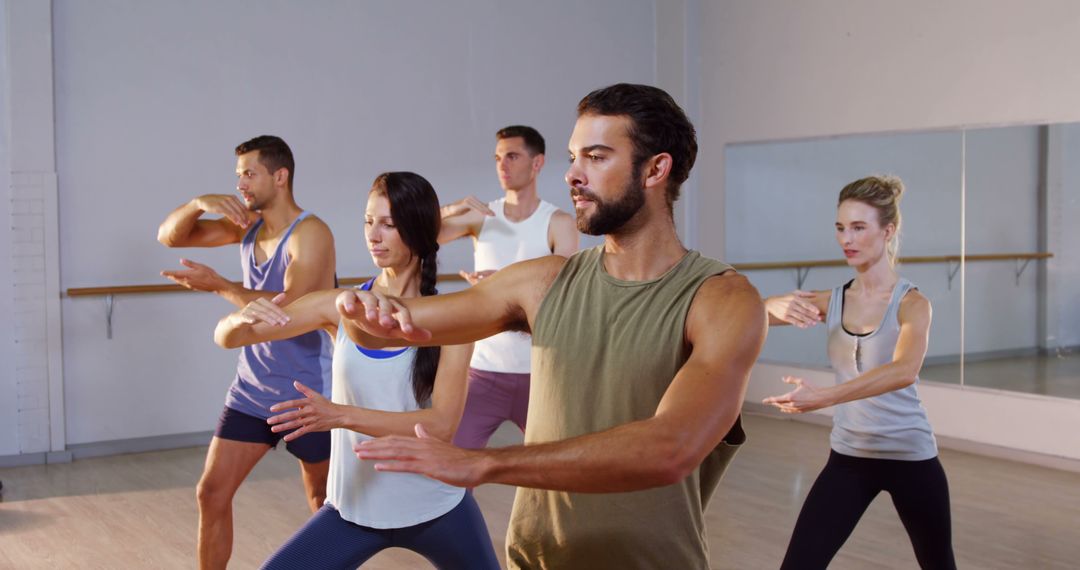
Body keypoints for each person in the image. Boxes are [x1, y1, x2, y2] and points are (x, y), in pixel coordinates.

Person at [315, 84, 767, 569]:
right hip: (534, 561)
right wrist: (356, 311)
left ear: (656, 169)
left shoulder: (721, 299)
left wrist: (485, 463)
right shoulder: (542, 282)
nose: (572, 175)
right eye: (574, 157)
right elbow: (396, 327)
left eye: (595, 157)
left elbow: (670, 449)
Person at [215, 172, 499, 569]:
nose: (373, 235)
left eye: (387, 224)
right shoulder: (342, 306)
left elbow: (440, 426)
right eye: (368, 221)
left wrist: (340, 415)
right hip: (354, 507)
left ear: (416, 231)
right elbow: (229, 338)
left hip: (437, 505)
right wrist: (238, 318)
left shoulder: (453, 320)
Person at [156, 135, 336, 570]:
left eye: (250, 174)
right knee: (211, 492)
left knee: (324, 503)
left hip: (306, 395)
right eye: (238, 175)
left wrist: (221, 286)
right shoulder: (246, 227)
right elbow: (170, 237)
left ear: (280, 176)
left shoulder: (311, 233)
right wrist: (199, 203)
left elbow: (291, 310)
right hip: (252, 392)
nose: (241, 184)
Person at [761, 175, 956, 569]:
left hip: (910, 457)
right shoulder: (831, 300)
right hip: (849, 458)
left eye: (858, 227)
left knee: (938, 564)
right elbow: (740, 321)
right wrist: (770, 305)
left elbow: (903, 370)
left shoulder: (913, 304)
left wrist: (825, 397)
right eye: (840, 227)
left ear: (888, 231)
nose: (846, 238)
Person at [438, 125, 578, 450]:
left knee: (552, 471)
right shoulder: (481, 216)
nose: (503, 165)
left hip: (541, 372)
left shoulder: (559, 223)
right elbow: (416, 239)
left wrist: (500, 284)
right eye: (498, 157)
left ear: (537, 163)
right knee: (451, 469)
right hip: (483, 372)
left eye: (512, 156)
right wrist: (450, 210)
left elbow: (565, 294)